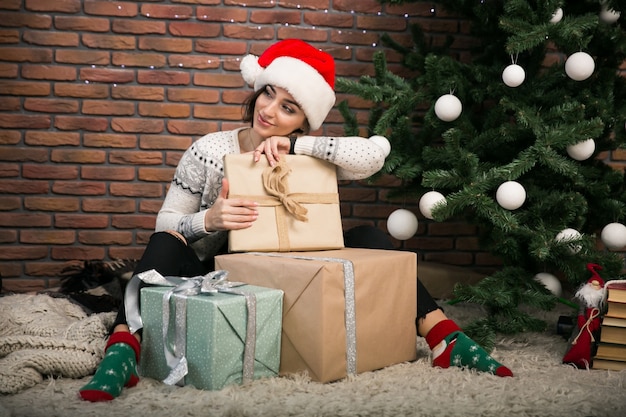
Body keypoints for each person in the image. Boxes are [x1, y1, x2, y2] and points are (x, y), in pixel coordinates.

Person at [79, 39, 512, 402]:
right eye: (269, 94)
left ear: (304, 120)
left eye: (289, 108)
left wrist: (298, 148)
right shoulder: (209, 151)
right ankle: (123, 348)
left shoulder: (310, 153)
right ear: (258, 88)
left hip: (297, 274)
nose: (269, 111)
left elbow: (374, 156)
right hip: (222, 281)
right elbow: (166, 222)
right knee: (167, 241)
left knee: (370, 237)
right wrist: (209, 221)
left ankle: (443, 338)